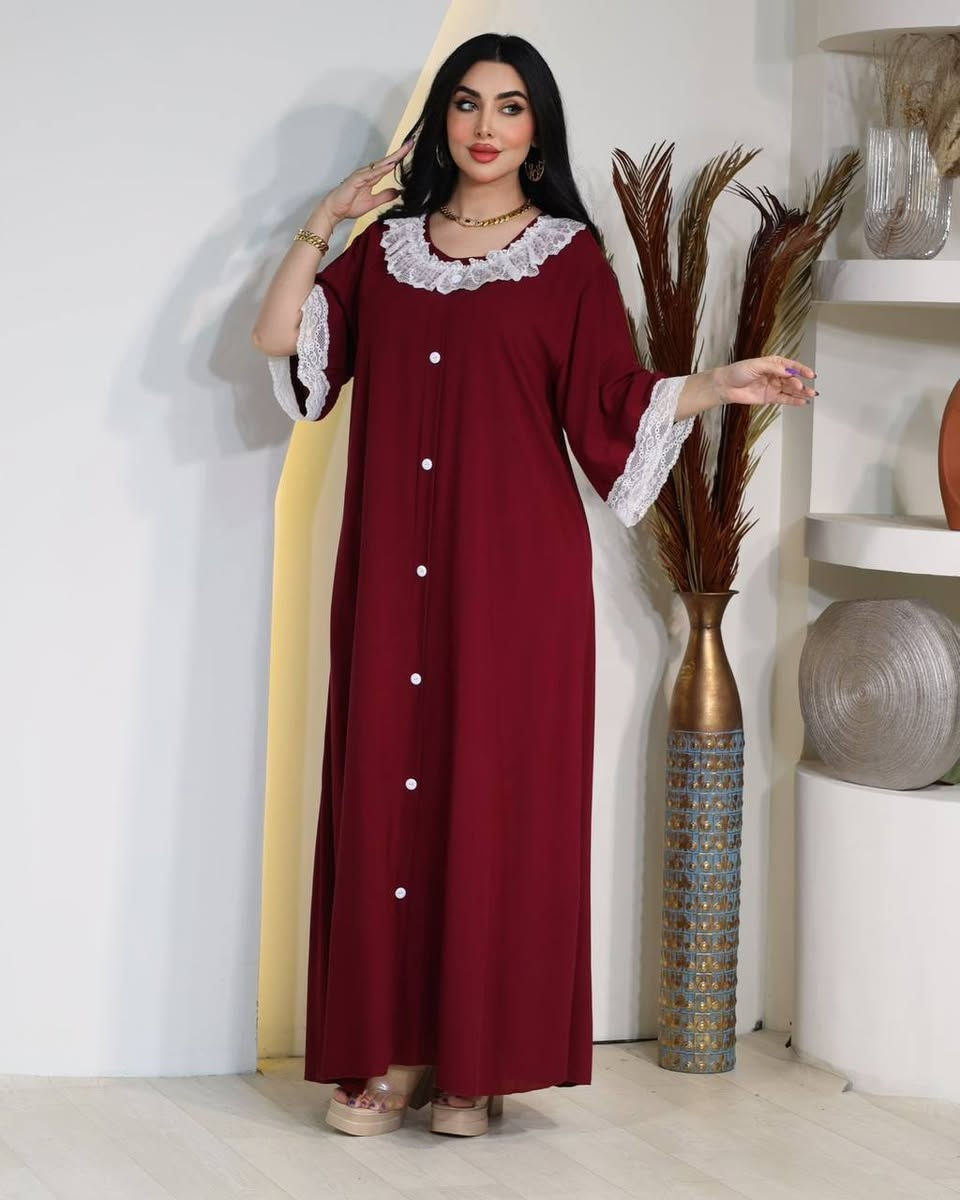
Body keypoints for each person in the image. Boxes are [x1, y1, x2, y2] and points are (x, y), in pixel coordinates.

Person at [251, 31, 815, 1140]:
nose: (486, 126)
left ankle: (475, 1064)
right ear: (442, 122)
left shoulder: (565, 260)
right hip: (390, 573)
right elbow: (283, 338)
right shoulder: (388, 252)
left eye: (510, 106)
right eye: (466, 103)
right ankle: (392, 1054)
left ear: (537, 128)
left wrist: (720, 383)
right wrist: (328, 218)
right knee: (385, 794)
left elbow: (612, 400)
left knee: (491, 805)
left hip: (511, 582)